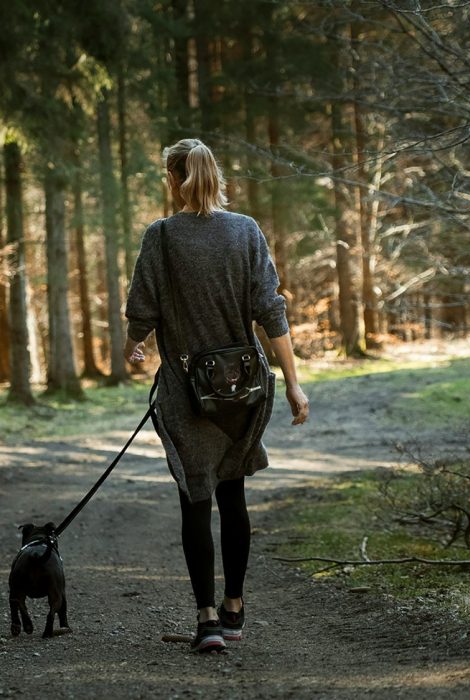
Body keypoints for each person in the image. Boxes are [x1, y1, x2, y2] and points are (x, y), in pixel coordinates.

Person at [124, 138, 309, 653]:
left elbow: (141, 311)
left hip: (187, 390)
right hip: (245, 387)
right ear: (214, 176)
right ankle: (234, 608)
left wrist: (132, 349)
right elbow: (271, 311)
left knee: (195, 498)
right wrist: (293, 381)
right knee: (233, 495)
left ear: (172, 178)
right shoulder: (246, 231)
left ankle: (205, 618)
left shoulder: (160, 237)